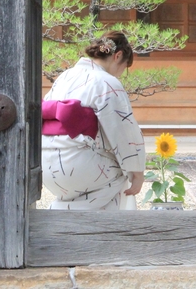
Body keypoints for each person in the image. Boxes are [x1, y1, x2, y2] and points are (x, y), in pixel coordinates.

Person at [41, 31, 146, 210]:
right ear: (117, 56)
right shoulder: (107, 82)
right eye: (124, 67)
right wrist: (136, 172)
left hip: (47, 166)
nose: (121, 73)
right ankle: (105, 234)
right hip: (78, 165)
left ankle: (63, 214)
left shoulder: (64, 76)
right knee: (121, 180)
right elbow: (122, 131)